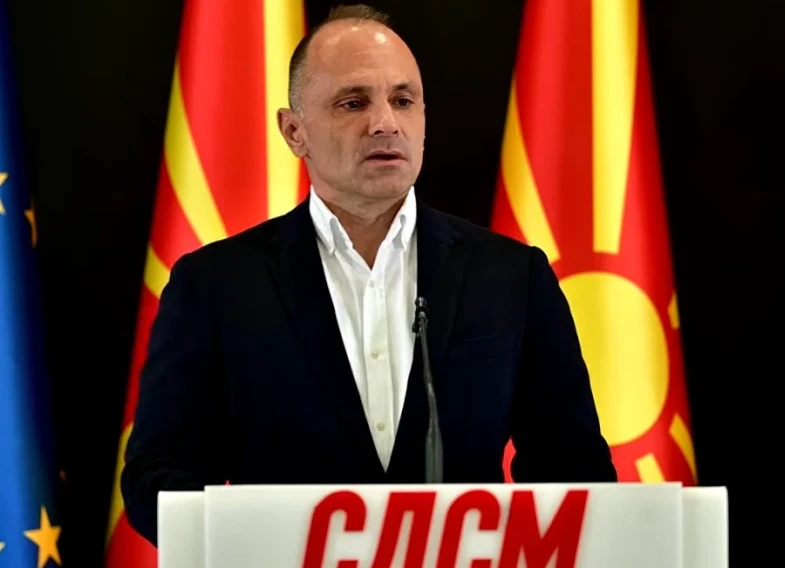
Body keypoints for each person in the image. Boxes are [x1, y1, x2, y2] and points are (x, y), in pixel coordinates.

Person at [121, 3, 617, 546]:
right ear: (294, 131)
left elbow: (575, 470)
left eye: (403, 100)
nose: (385, 122)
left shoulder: (512, 276)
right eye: (353, 102)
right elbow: (157, 477)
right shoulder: (214, 285)